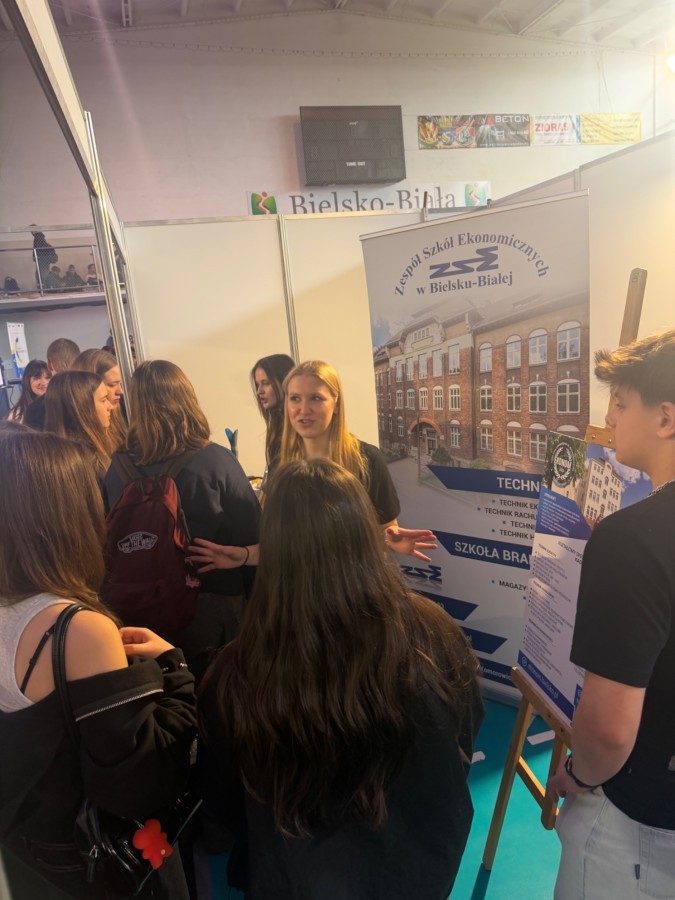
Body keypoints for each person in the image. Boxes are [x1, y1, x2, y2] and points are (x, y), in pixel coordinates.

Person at [198, 457, 484, 899]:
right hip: (414, 872)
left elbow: (224, 805)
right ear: (364, 534)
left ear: (275, 546)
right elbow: (463, 734)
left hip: (294, 880)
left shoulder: (235, 672)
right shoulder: (433, 631)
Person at [0, 428, 196, 900]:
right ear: (67, 515)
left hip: (23, 859)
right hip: (86, 869)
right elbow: (139, 785)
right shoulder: (77, 630)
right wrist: (173, 669)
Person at [547, 329, 675, 899]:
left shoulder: (632, 540)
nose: (608, 418)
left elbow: (608, 732)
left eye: (620, 403)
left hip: (640, 827)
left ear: (665, 418)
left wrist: (577, 773)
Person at [190, 359, 436, 570]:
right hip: (298, 595)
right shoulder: (281, 464)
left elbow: (385, 532)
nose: (303, 409)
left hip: (352, 592)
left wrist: (388, 540)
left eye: (316, 398)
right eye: (295, 398)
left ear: (336, 403)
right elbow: (285, 546)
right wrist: (244, 556)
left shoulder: (367, 459)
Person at [103, 360, 260, 680]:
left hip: (140, 607)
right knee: (220, 689)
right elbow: (254, 535)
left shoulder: (116, 469)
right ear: (187, 398)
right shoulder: (215, 459)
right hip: (210, 603)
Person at [44, 370, 114, 482]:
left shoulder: (52, 456)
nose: (110, 406)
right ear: (82, 407)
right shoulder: (89, 462)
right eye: (103, 400)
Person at [72, 347, 127, 450]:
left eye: (120, 384)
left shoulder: (123, 411)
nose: (120, 391)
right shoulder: (77, 440)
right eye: (112, 385)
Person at [250, 353, 295, 477]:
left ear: (285, 382)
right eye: (258, 384)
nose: (259, 391)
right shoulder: (277, 424)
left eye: (266, 383)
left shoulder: (297, 427)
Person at [24, 337, 81, 431]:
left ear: (49, 365)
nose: (43, 382)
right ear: (78, 361)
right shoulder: (95, 394)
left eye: (46, 378)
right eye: (37, 378)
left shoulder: (34, 410)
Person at [5, 358, 50, 424]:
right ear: (27, 381)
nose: (44, 383)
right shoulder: (16, 415)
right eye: (37, 378)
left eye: (48, 378)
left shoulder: (58, 407)